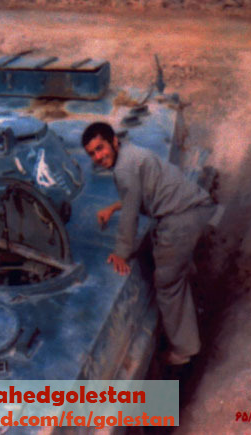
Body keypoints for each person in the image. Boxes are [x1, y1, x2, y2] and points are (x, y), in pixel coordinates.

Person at [81, 122, 215, 365]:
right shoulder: (132, 153)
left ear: (114, 141)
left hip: (180, 219)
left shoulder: (123, 169)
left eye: (100, 148)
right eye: (92, 153)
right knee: (173, 265)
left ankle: (184, 350)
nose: (98, 157)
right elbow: (137, 193)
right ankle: (194, 283)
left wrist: (121, 252)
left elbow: (131, 215)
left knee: (166, 283)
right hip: (197, 206)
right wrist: (113, 207)